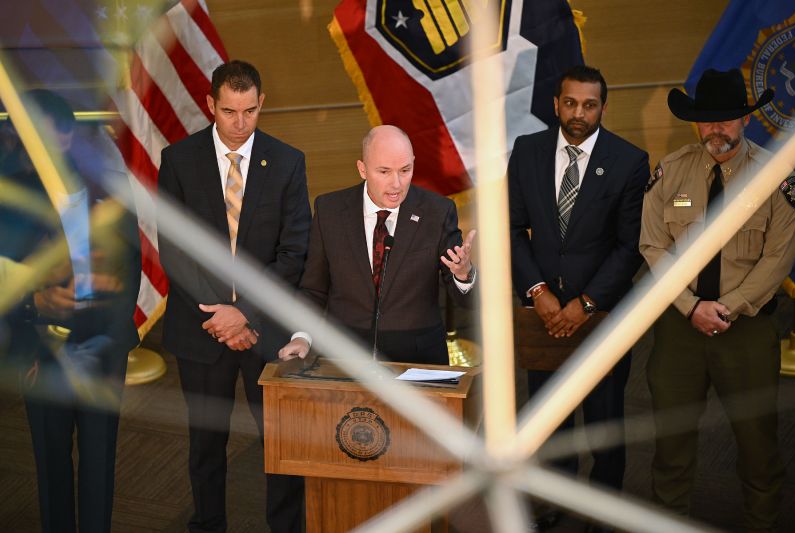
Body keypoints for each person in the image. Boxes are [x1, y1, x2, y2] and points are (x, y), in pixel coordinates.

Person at [640, 67, 795, 531]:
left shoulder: (776, 178)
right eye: (707, 120)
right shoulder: (671, 170)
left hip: (746, 329)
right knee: (671, 442)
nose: (716, 129)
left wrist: (725, 308)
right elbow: (652, 246)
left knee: (757, 443)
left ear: (745, 119)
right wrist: (691, 306)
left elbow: (778, 259)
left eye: (726, 119)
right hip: (679, 328)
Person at [157, 60, 311, 533]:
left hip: (265, 330)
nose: (240, 123)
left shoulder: (287, 162)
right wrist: (222, 318)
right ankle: (208, 526)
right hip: (201, 329)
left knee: (279, 444)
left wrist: (243, 314)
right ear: (210, 105)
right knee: (206, 445)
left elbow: (294, 253)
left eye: (249, 111)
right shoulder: (178, 160)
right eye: (229, 111)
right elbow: (175, 250)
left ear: (261, 103)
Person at [508, 65, 649, 528]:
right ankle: (554, 502)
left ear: (603, 108)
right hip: (543, 315)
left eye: (589, 105)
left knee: (604, 421)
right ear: (556, 104)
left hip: (601, 316)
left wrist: (586, 303)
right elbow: (511, 229)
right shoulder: (526, 151)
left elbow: (629, 246)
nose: (578, 114)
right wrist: (537, 291)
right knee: (550, 420)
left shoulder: (629, 160)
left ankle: (602, 510)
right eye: (570, 103)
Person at [0, 89, 141, 533]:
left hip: (102, 354)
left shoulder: (111, 195)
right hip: (41, 358)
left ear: (64, 136)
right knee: (50, 466)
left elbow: (130, 277)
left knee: (99, 464)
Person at [278, 125, 476, 365]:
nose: (396, 184)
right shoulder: (330, 210)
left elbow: (466, 300)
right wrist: (302, 337)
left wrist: (464, 275)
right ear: (362, 169)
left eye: (405, 170)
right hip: (344, 360)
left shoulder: (437, 212)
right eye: (384, 172)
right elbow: (314, 289)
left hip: (417, 360)